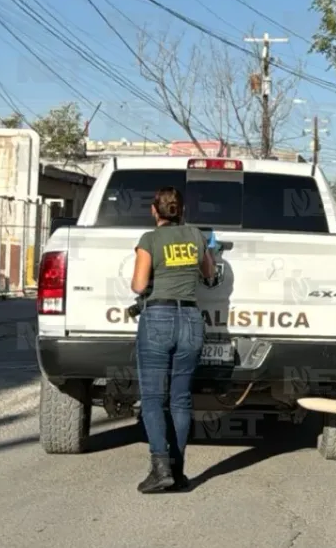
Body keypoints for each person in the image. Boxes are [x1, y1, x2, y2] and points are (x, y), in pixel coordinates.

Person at [131, 187, 215, 493]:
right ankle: (178, 473)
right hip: (191, 320)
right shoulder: (195, 235)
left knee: (154, 398)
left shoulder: (150, 239)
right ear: (181, 211)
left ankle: (160, 469)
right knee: (181, 399)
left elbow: (139, 286)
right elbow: (209, 273)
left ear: (155, 211)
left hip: (158, 318)